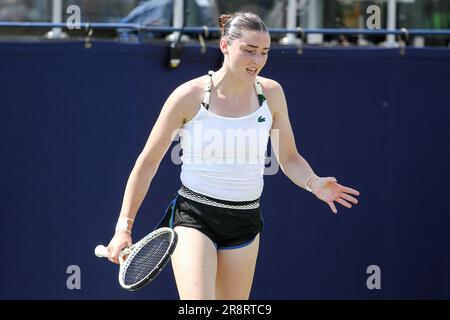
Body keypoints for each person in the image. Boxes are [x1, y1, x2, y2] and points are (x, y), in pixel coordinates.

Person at [106, 11, 360, 300]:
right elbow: (148, 162)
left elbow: (289, 157)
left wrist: (314, 183)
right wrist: (123, 227)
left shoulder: (272, 94)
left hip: (245, 220)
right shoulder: (188, 96)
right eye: (249, 51)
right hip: (194, 216)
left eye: (264, 52)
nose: (257, 60)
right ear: (225, 46)